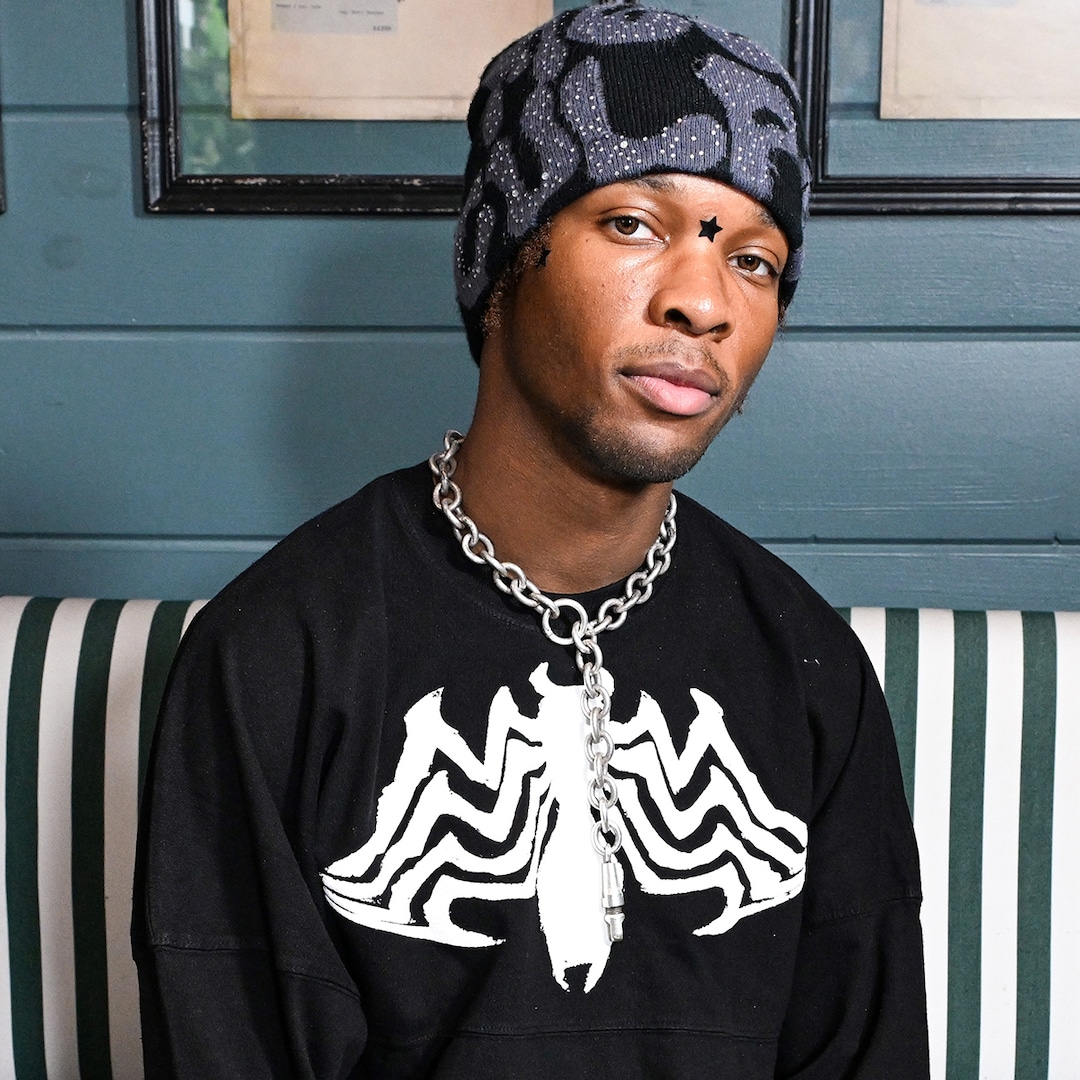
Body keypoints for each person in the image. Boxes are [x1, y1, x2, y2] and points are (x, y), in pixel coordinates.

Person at [132, 3, 930, 1077]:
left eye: (753, 259)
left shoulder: (808, 666)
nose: (703, 302)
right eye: (634, 224)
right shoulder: (276, 654)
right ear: (505, 261)